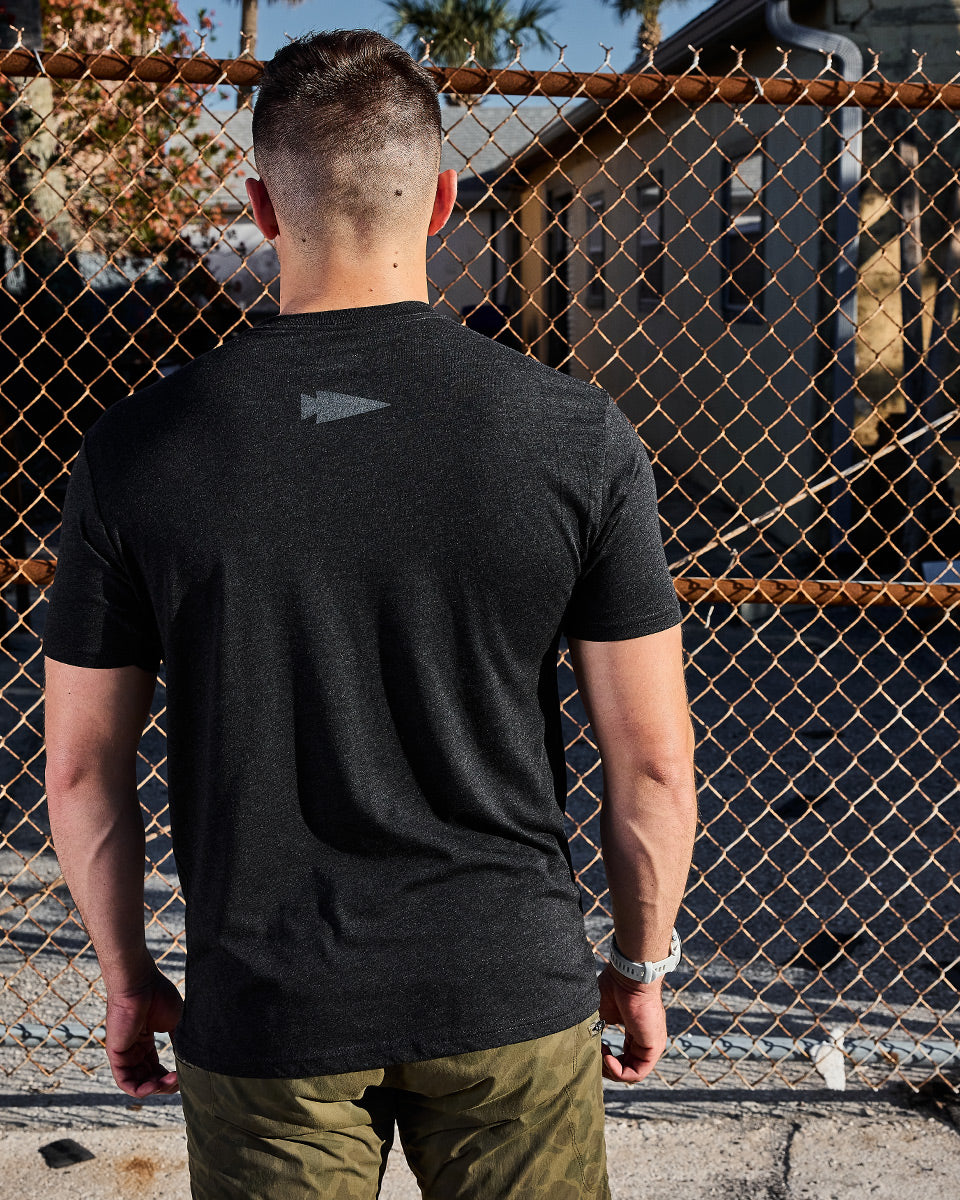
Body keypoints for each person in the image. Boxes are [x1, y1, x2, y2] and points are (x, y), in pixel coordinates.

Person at [43, 27, 698, 1200]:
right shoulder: (572, 434)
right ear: (446, 199)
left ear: (258, 203)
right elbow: (649, 764)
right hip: (506, 992)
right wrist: (642, 961)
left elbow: (83, 771)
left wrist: (129, 975)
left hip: (270, 1007)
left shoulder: (140, 450)